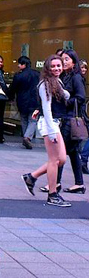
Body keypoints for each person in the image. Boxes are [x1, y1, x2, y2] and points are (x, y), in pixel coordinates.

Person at [22, 55, 71, 207]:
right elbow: (47, 109)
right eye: (53, 66)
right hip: (50, 124)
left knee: (61, 159)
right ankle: (52, 194)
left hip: (54, 123)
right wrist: (51, 131)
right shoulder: (45, 84)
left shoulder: (57, 81)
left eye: (59, 66)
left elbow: (65, 96)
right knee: (54, 161)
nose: (56, 68)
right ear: (48, 68)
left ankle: (32, 177)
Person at [55, 49, 86, 194]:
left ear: (74, 62)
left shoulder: (76, 78)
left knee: (60, 152)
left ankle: (55, 183)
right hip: (66, 117)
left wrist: (66, 102)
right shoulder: (65, 76)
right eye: (62, 59)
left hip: (71, 119)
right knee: (72, 153)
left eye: (67, 59)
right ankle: (79, 183)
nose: (64, 61)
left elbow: (80, 97)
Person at [8, 56, 40, 149]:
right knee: (33, 120)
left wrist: (10, 97)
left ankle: (26, 137)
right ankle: (27, 137)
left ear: (24, 64)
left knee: (24, 119)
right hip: (35, 101)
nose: (18, 65)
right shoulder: (37, 74)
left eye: (19, 64)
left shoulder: (18, 76)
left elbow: (13, 88)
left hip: (22, 101)